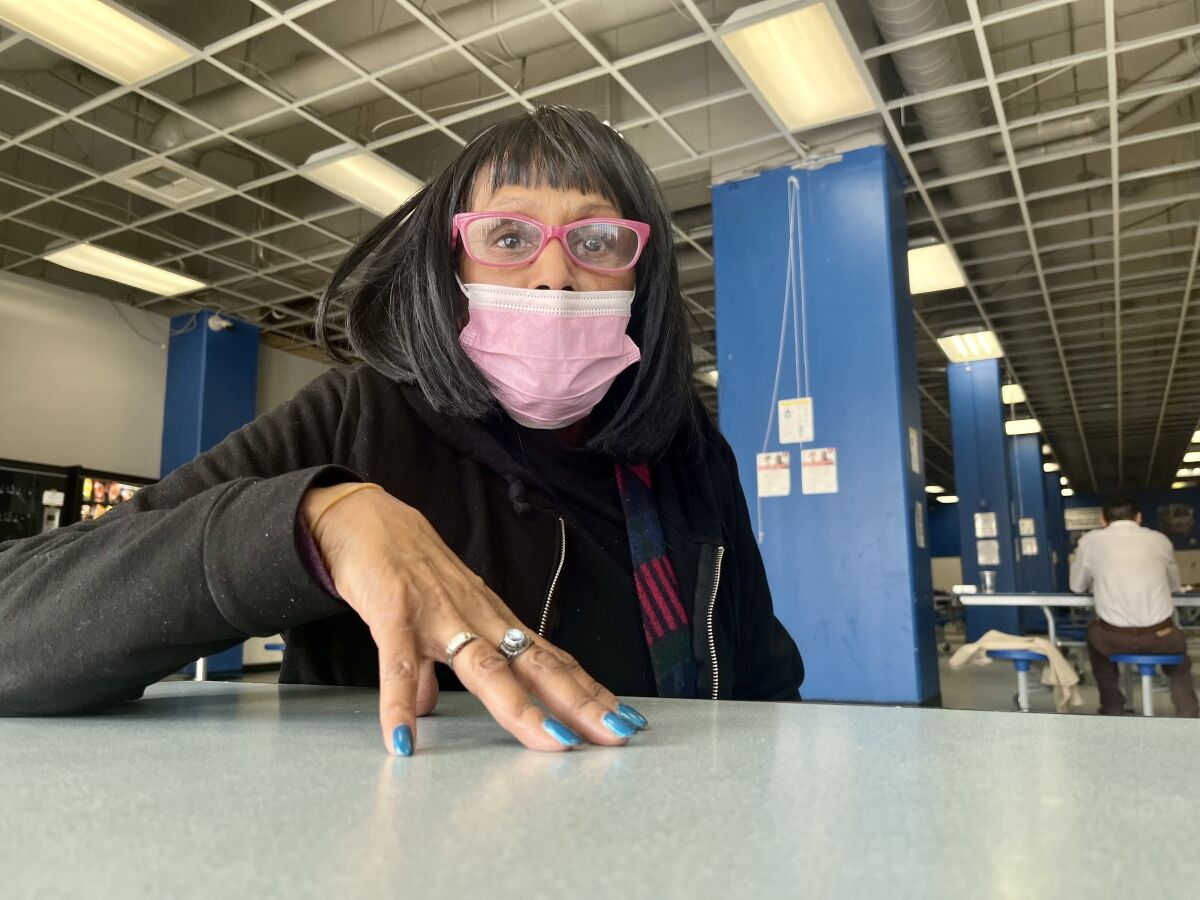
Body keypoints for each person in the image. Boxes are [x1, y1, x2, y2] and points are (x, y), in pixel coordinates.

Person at [0, 106, 804, 755]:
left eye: (597, 241)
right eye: (509, 237)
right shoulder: (353, 417)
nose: (556, 272)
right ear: (450, 268)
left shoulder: (690, 452)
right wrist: (313, 521)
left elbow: (766, 685)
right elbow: (16, 621)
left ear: (642, 274)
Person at [1070, 496, 1197, 716]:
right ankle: (1188, 712)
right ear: (1139, 518)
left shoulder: (1090, 541)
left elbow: (1077, 587)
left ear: (1102, 521)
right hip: (1161, 636)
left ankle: (1113, 706)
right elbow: (1174, 586)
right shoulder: (1160, 540)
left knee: (1094, 634)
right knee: (1179, 662)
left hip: (1113, 637)